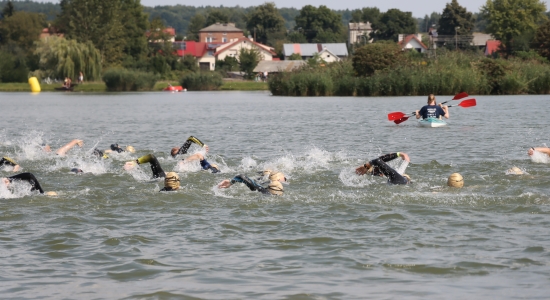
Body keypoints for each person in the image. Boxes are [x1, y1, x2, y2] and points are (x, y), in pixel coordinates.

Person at [218, 170, 286, 195]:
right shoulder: (262, 190)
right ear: (278, 178)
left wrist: (231, 182)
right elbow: (242, 176)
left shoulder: (262, 189)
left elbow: (241, 176)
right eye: (284, 178)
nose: (285, 179)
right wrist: (230, 183)